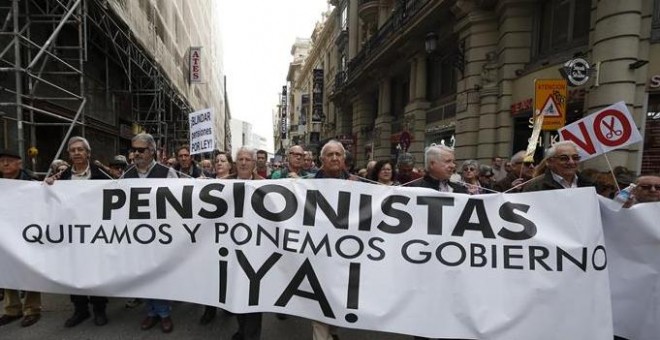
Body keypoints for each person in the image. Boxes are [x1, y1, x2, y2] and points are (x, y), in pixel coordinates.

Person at [45, 136, 110, 328]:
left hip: (96, 234)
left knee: (95, 272)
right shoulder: (62, 178)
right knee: (74, 272)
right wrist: (47, 186)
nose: (76, 153)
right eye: (73, 150)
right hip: (71, 235)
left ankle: (99, 309)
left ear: (88, 153)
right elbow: (49, 201)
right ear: (69, 154)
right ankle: (80, 309)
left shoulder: (101, 175)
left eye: (80, 149)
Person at [122, 133, 176, 333]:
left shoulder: (167, 173)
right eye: (133, 149)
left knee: (159, 274)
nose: (136, 153)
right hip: (137, 235)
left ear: (152, 151)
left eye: (141, 150)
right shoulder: (126, 175)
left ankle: (164, 313)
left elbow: (178, 203)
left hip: (161, 235)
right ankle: (151, 310)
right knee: (144, 274)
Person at [312, 139, 357, 340]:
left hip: (346, 253)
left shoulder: (358, 185)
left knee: (339, 298)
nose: (334, 158)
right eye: (330, 155)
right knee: (319, 300)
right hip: (318, 251)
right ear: (322, 159)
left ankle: (334, 330)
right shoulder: (307, 185)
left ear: (344, 159)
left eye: (338, 154)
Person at [224, 147, 264, 340]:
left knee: (254, 295)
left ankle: (251, 335)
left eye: (248, 159)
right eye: (240, 159)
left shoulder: (266, 184)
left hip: (256, 249)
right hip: (231, 248)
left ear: (254, 163)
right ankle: (242, 329)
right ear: (235, 162)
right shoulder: (222, 184)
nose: (244, 162)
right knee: (237, 291)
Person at [0, 149, 41, 328]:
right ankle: (12, 309)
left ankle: (32, 309)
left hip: (27, 234)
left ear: (19, 164)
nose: (5, 164)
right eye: (2, 161)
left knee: (28, 271)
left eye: (9, 160)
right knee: (5, 269)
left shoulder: (31, 183)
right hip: (4, 235)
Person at [523, 141, 593, 192]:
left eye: (575, 158)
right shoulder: (535, 187)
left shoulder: (590, 183)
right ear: (550, 162)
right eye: (564, 158)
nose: (571, 162)